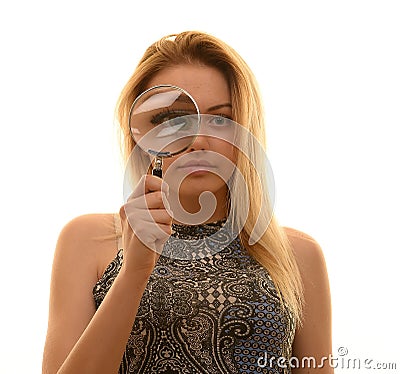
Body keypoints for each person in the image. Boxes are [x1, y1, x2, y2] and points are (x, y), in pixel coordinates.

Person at [42, 31, 332, 373]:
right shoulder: (89, 240)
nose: (198, 140)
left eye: (220, 119)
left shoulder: (297, 254)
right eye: (172, 120)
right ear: (141, 131)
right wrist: (134, 270)